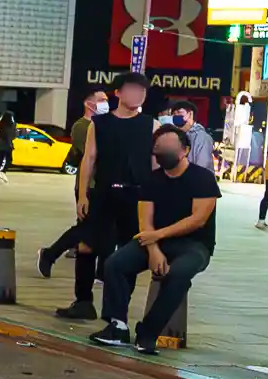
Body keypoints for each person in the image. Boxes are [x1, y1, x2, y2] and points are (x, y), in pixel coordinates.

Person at [89, 124, 219, 355]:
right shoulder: (151, 180)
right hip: (154, 241)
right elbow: (145, 220)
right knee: (115, 264)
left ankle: (148, 332)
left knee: (177, 274)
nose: (163, 151)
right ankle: (117, 326)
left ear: (185, 150)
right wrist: (154, 249)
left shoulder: (203, 179)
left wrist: (157, 236)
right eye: (159, 147)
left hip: (194, 245)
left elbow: (198, 219)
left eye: (169, 146)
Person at [57, 70, 155, 321]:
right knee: (86, 245)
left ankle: (118, 310)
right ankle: (83, 302)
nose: (138, 95)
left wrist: (156, 200)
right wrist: (82, 195)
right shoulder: (99, 124)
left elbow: (155, 166)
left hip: (137, 196)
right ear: (119, 93)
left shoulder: (151, 125)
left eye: (142, 91)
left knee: (128, 251)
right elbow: (88, 159)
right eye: (133, 89)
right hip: (103, 192)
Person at [37, 89, 108, 277]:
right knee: (86, 228)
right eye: (100, 100)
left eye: (106, 100)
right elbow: (89, 154)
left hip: (103, 185)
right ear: (88, 103)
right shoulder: (82, 126)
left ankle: (101, 272)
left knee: (100, 229)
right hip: (89, 184)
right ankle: (50, 254)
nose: (105, 103)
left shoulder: (103, 124)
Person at [169, 101, 213, 170]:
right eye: (174, 114)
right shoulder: (177, 136)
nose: (176, 116)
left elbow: (202, 167)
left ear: (190, 114)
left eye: (179, 113)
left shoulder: (202, 137)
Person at [0, 111, 17, 183]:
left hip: (1, 145)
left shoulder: (1, 125)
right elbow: (12, 136)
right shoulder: (12, 125)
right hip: (7, 145)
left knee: (0, 160)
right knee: (9, 159)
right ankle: (3, 172)